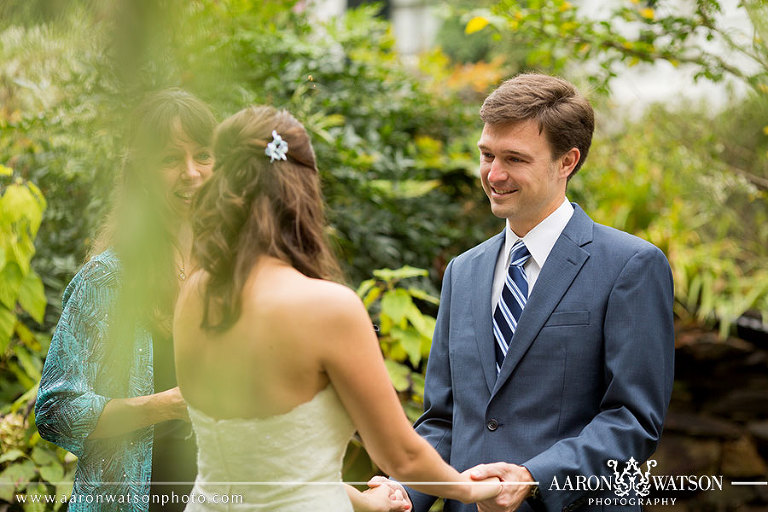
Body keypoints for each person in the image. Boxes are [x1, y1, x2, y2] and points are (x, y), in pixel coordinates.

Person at [173, 105, 504, 512]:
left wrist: (369, 504)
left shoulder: (195, 294)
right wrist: (475, 490)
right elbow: (400, 454)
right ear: (302, 189)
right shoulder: (327, 308)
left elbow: (259, 467)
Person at [403, 73, 675, 512]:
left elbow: (632, 420)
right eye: (487, 155)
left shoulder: (631, 265)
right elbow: (442, 419)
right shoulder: (462, 271)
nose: (494, 174)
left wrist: (532, 477)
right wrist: (401, 492)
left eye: (514, 158)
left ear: (567, 161)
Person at [35, 88, 217, 511]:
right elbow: (55, 412)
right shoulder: (109, 279)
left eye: (203, 155)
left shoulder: (236, 272)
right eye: (171, 159)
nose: (190, 173)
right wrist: (165, 405)